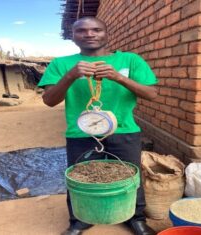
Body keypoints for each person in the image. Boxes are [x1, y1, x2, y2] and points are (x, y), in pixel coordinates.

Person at [38, 17, 159, 235]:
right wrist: (71, 75)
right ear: (73, 36)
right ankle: (79, 220)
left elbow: (151, 93)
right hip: (81, 133)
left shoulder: (130, 60)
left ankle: (136, 218)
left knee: (131, 177)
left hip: (124, 131)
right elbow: (49, 100)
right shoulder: (61, 64)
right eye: (81, 31)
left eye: (96, 29)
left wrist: (118, 78)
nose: (89, 34)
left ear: (106, 33)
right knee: (79, 178)